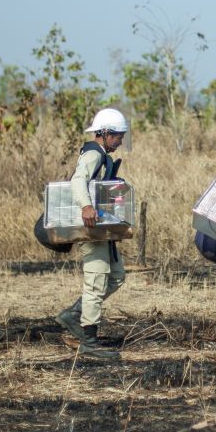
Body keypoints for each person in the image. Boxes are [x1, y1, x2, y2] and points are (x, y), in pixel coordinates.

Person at [56, 108, 130, 360]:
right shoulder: (92, 153)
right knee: (96, 281)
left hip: (102, 230)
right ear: (105, 133)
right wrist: (86, 206)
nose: (120, 140)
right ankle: (89, 341)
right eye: (118, 135)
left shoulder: (102, 155)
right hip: (90, 229)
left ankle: (74, 315)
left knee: (116, 277)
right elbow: (78, 180)